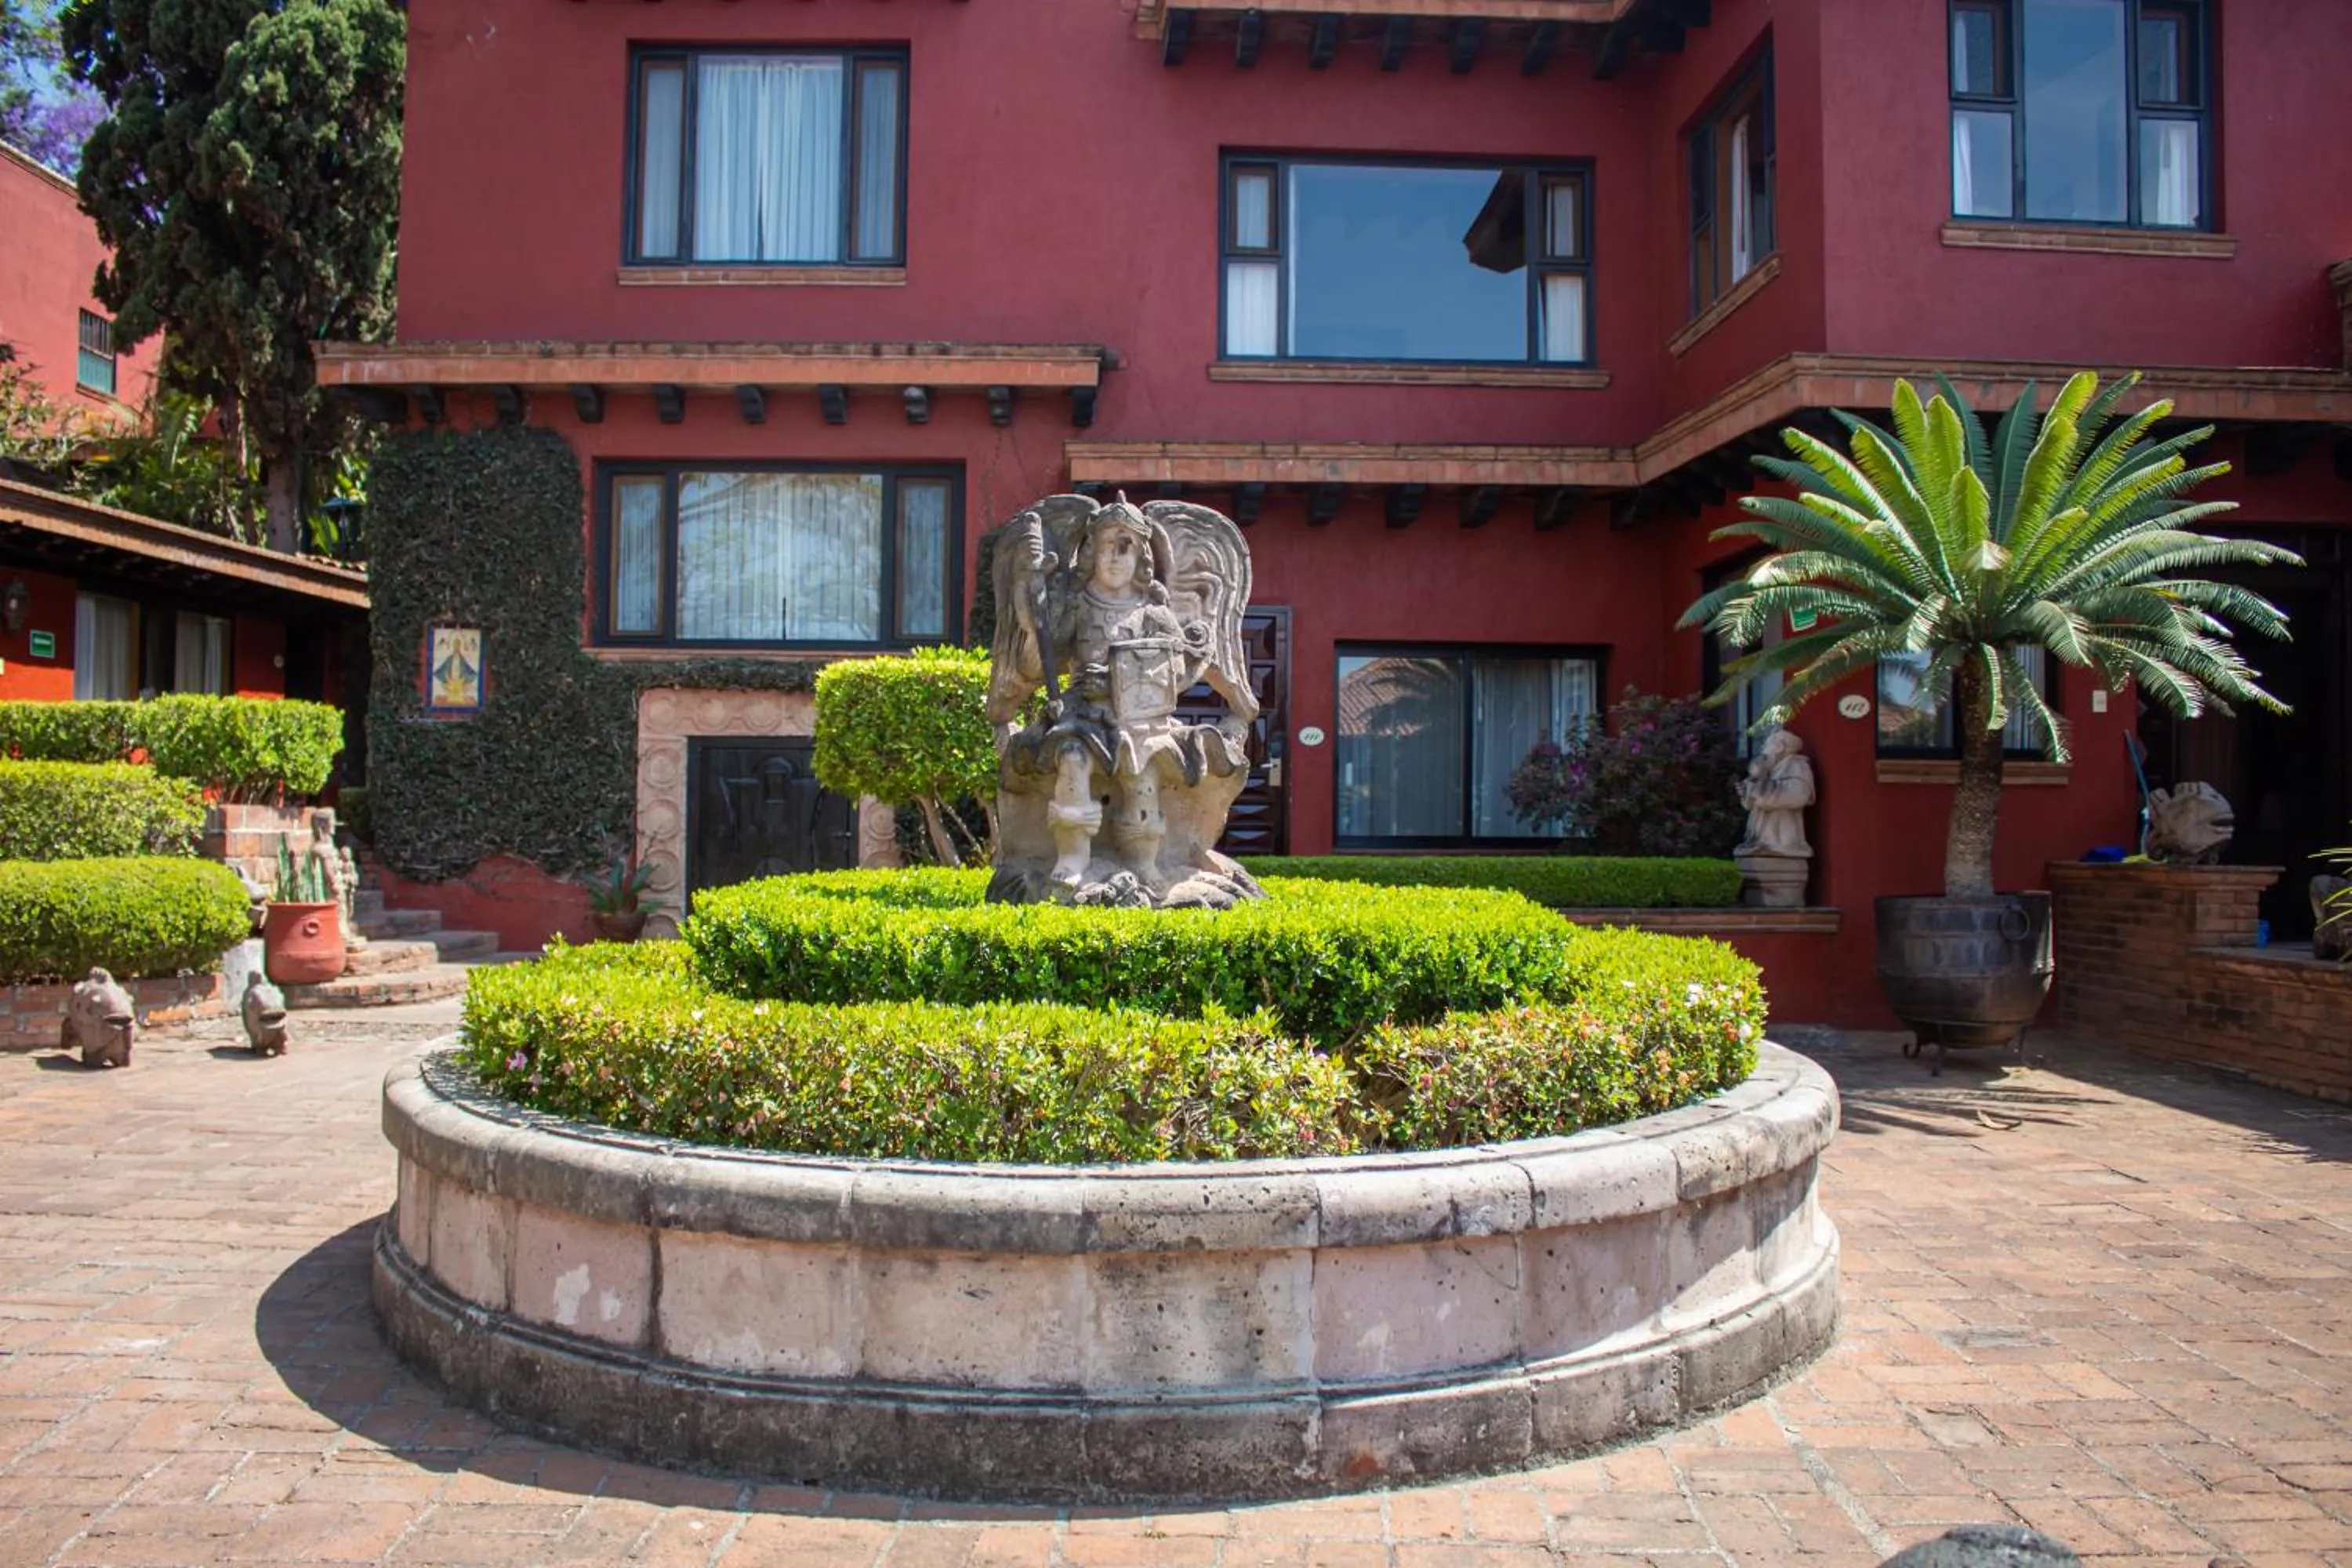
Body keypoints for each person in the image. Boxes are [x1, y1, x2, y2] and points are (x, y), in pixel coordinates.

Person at [1736, 728, 1813, 858]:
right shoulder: (1769, 770)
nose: (1763, 750)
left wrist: (1761, 788)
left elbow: (1799, 796)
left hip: (1781, 836)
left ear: (1779, 747)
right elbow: (1753, 803)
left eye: (1766, 745)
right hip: (1760, 835)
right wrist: (1747, 791)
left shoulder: (1796, 766)